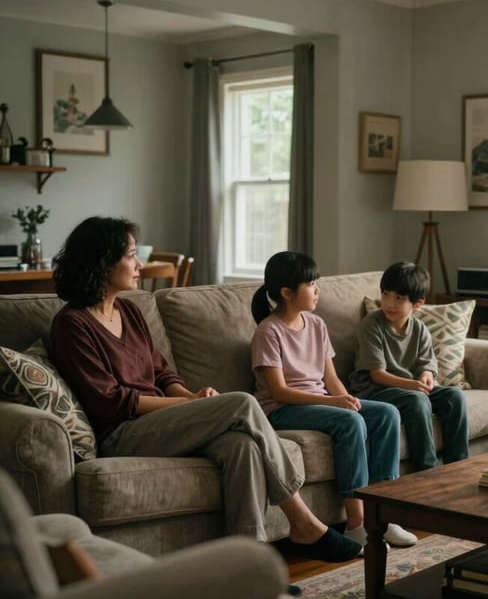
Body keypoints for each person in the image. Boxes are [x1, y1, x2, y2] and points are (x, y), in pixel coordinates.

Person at [49, 216, 361, 564]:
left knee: (240, 445)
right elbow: (110, 401)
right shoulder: (72, 324)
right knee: (241, 403)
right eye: (131, 256)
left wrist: (190, 398)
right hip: (122, 432)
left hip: (162, 421)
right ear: (103, 262)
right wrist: (183, 407)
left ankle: (248, 563)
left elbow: (162, 372)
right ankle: (303, 520)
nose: (140, 265)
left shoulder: (130, 310)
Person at [251, 251, 417, 548]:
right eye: (311, 285)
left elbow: (330, 379)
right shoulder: (268, 331)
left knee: (387, 413)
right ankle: (356, 524)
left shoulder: (316, 325)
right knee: (349, 421)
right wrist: (334, 404)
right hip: (281, 410)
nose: (318, 290)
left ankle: (384, 514)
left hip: (319, 402)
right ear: (288, 293)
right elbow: (278, 392)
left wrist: (345, 398)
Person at [349, 261, 469, 471]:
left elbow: (426, 364)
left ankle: (457, 468)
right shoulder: (371, 325)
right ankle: (427, 470)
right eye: (385, 294)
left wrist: (425, 376)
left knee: (454, 396)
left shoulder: (420, 329)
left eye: (399, 298)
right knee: (417, 400)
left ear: (418, 303)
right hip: (375, 391)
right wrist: (413, 385)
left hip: (409, 387)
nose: (389, 303)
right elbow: (377, 375)